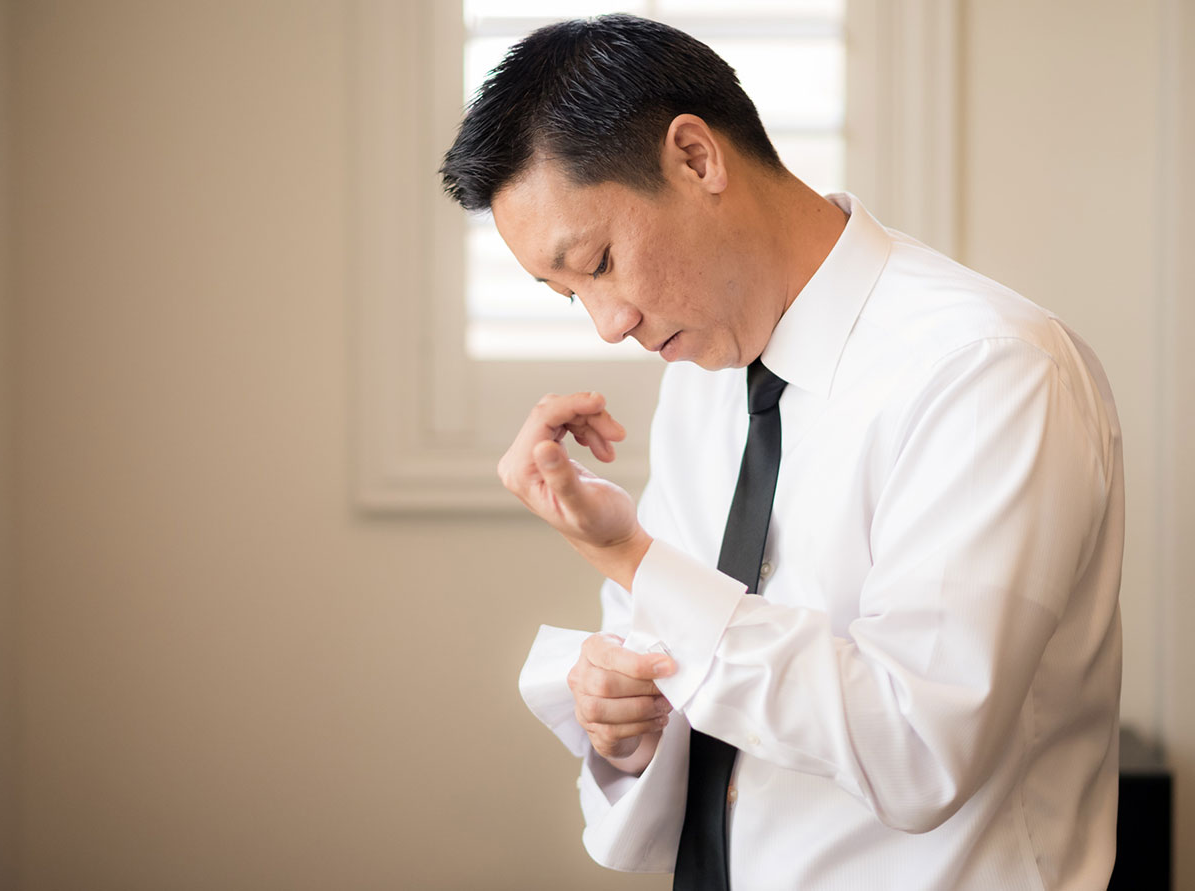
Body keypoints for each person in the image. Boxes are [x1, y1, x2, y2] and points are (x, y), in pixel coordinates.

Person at [438, 15, 1126, 890]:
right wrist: (624, 714)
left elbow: (919, 750)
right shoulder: (703, 376)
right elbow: (690, 653)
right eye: (569, 295)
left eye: (602, 261)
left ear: (695, 158)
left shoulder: (988, 371)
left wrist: (631, 558)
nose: (610, 325)